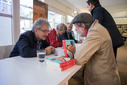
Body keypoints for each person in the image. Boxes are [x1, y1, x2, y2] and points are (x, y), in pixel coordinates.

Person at [71, 13, 121, 85]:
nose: (75, 30)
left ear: (83, 25)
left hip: (103, 79)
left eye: (76, 27)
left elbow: (78, 59)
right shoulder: (97, 28)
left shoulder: (95, 32)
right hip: (108, 72)